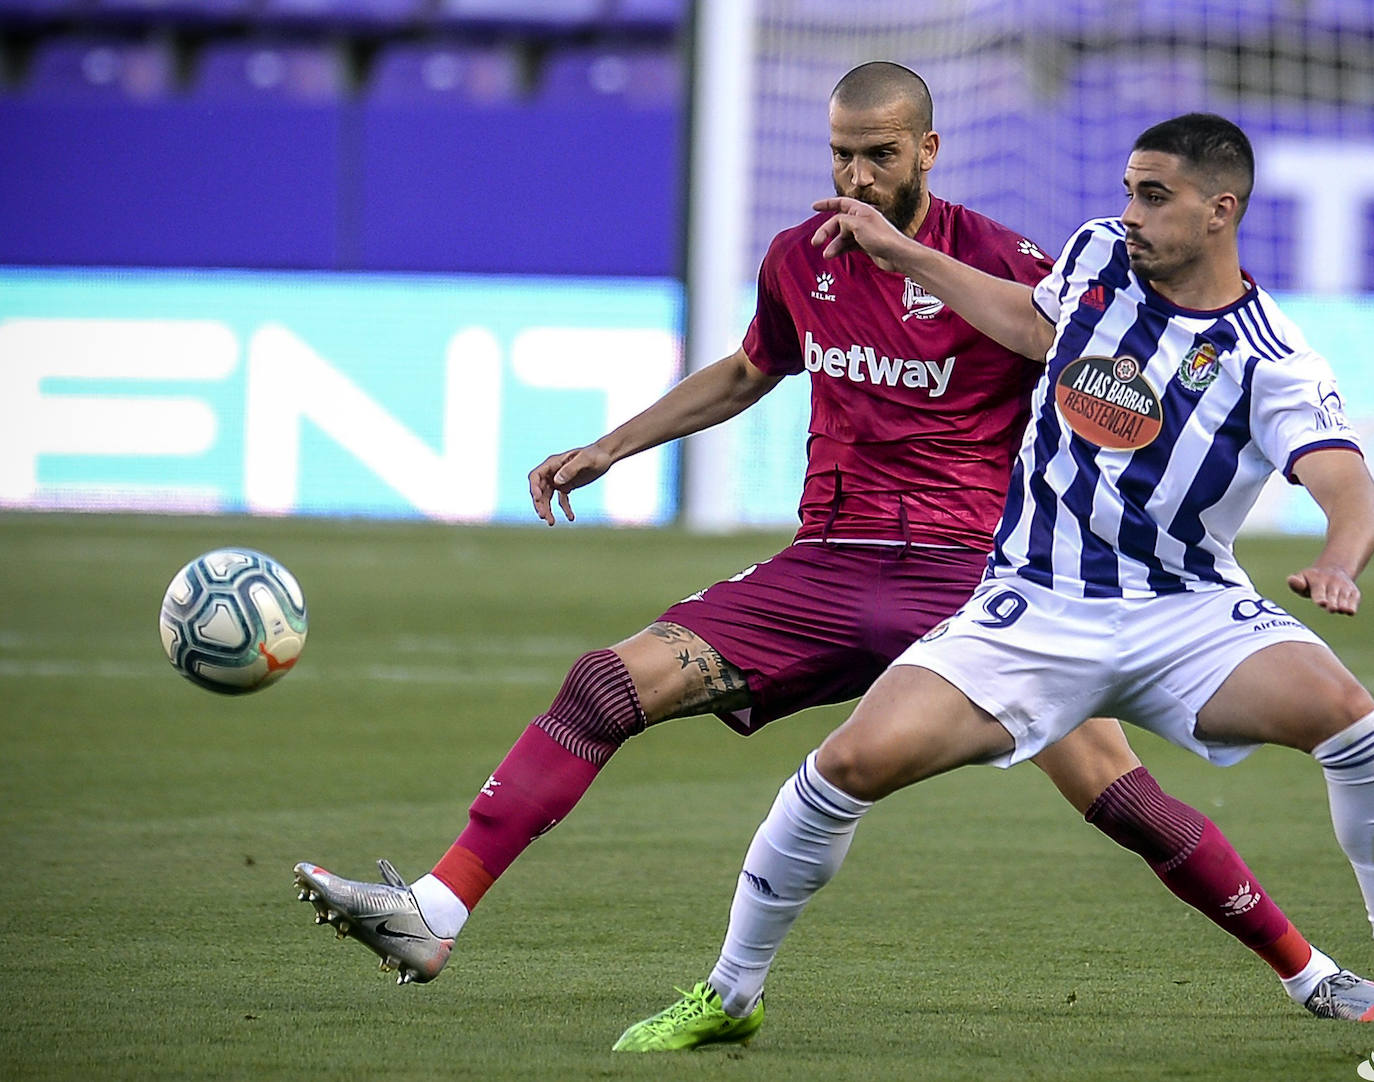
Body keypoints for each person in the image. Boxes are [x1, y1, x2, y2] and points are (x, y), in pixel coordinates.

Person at [293, 67, 1361, 1024]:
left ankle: (1309, 969)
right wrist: (612, 444)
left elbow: (1084, 373)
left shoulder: (1018, 264)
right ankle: (436, 909)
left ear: (927, 153)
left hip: (971, 577)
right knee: (606, 685)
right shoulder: (801, 257)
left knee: (1120, 797)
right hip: (825, 565)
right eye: (841, 152)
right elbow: (752, 368)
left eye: (879, 154)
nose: (853, 172)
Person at [612, 110, 1374, 1052]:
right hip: (1030, 606)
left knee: (1355, 724)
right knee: (839, 771)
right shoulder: (1097, 256)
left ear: (1221, 211)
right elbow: (1026, 323)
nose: (1127, 212)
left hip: (1187, 614)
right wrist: (902, 252)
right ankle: (732, 993)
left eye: (1153, 195)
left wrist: (1339, 561)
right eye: (1128, 188)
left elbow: (1343, 476)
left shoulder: (1273, 357)